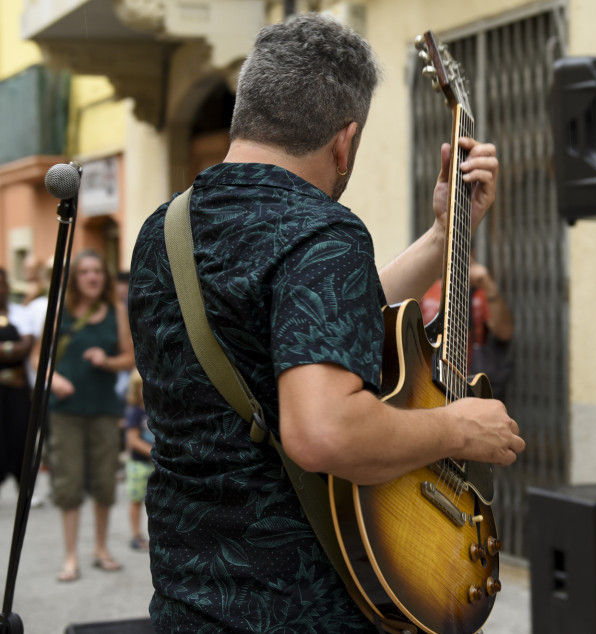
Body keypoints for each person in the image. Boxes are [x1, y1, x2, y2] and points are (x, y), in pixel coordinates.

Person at [128, 12, 524, 633]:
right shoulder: (323, 231)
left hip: (186, 602)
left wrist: (443, 234)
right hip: (300, 612)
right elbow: (323, 433)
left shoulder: (163, 231)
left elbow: (304, 322)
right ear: (345, 140)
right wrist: (456, 430)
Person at [41, 248, 135, 582]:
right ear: (75, 278)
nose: (92, 276)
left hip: (105, 410)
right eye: (85, 271)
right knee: (68, 482)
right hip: (66, 411)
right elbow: (42, 360)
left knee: (104, 481)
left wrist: (107, 361)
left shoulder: (116, 312)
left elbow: (130, 358)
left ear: (104, 277)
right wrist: (56, 379)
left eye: (97, 271)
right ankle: (70, 557)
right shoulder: (60, 311)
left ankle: (100, 548)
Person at [420, 251, 515, 402]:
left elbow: (504, 332)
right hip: (431, 377)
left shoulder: (480, 295)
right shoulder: (427, 292)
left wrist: (489, 286)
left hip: (472, 379)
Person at [0, 268, 35, 491]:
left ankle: (24, 488)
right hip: (8, 384)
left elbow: (27, 344)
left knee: (22, 436)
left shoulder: (19, 312)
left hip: (18, 390)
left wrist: (7, 348)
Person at [122, 370, 152, 552]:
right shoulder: (135, 413)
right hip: (139, 464)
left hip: (156, 462)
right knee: (136, 499)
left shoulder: (157, 411)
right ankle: (136, 534)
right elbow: (132, 440)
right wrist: (154, 452)